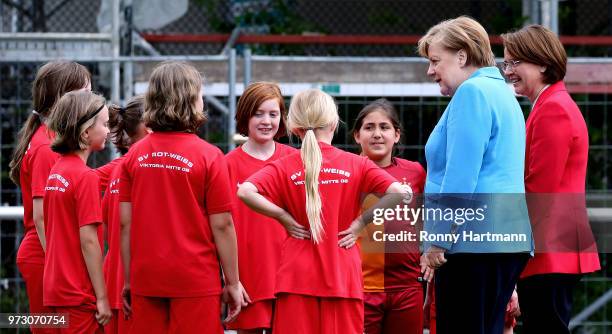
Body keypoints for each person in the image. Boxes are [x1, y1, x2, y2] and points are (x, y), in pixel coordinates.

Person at [237, 88, 409, 334]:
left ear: (295, 127)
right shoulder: (356, 164)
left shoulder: (284, 166)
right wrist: (360, 224)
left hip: (296, 279)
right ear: (333, 123)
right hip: (342, 276)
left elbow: (245, 191)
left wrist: (283, 217)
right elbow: (399, 192)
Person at [417, 16, 533, 334]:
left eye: (435, 60)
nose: (430, 70)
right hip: (507, 238)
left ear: (462, 56)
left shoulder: (472, 94)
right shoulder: (504, 95)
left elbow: (461, 175)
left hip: (471, 241)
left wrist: (439, 240)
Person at [118, 61, 248, 334]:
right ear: (191, 100)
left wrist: (129, 280)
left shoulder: (134, 156)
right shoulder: (210, 156)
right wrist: (233, 282)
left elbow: (125, 224)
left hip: (146, 277)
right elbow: (222, 224)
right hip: (195, 279)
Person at [502, 25, 600, 334]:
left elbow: (538, 190)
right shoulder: (548, 105)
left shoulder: (552, 109)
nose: (508, 71)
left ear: (543, 63)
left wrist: (510, 246)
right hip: (552, 249)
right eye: (506, 63)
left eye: (516, 62)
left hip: (550, 250)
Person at [8, 60, 91, 334]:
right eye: (86, 93)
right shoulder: (46, 146)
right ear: (64, 98)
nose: (92, 101)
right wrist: (63, 264)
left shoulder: (50, 139)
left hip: (47, 255)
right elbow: (43, 216)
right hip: (44, 256)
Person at [225, 82, 296, 334]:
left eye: (273, 114)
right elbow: (221, 225)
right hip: (248, 274)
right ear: (245, 116)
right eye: (258, 113)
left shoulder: (294, 160)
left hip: (289, 273)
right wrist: (230, 278)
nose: (266, 121)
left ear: (282, 118)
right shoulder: (226, 165)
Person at [352, 98, 427, 334]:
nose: (377, 134)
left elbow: (427, 217)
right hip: (361, 287)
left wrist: (429, 251)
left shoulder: (415, 171)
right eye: (369, 127)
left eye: (384, 127)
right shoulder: (348, 171)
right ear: (357, 136)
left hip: (407, 287)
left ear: (396, 135)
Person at [43, 90, 112, 332]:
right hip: (78, 293)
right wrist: (102, 298)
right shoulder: (84, 178)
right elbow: (89, 241)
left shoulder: (57, 170)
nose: (108, 130)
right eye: (104, 124)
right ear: (85, 132)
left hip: (54, 288)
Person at [102, 95, 148, 334]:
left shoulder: (118, 168)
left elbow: (108, 228)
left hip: (113, 278)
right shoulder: (142, 168)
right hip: (135, 281)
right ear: (149, 126)